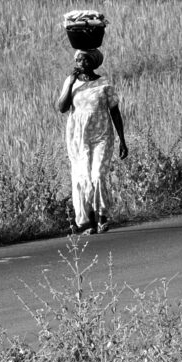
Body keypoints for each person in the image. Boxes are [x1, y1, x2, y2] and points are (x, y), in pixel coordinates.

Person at [55, 48, 128, 234]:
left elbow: (115, 112)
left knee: (98, 175)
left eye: (84, 60)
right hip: (78, 138)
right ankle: (88, 220)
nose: (80, 64)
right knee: (83, 177)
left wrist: (122, 139)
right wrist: (71, 83)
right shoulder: (71, 82)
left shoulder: (104, 84)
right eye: (78, 60)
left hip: (102, 136)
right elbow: (62, 107)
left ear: (93, 63)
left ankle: (102, 216)